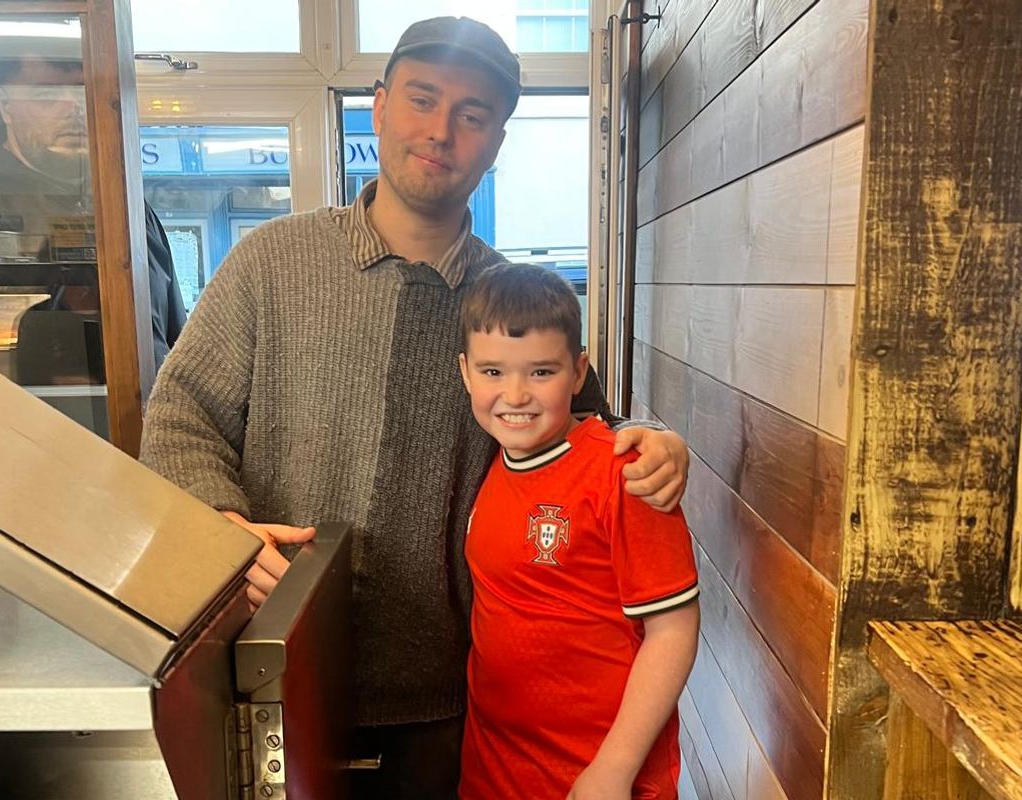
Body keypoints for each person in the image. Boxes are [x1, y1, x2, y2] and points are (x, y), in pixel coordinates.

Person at [139, 17, 689, 798]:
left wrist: (656, 436)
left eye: (473, 114)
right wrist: (219, 525)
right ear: (379, 105)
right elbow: (180, 415)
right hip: (271, 668)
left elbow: (591, 426)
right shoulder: (272, 261)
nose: (441, 131)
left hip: (450, 696)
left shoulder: (511, 297)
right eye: (422, 100)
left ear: (497, 140)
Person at [457, 263, 699, 800]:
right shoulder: (492, 462)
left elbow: (674, 631)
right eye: (494, 372)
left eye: (541, 372)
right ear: (466, 372)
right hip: (496, 771)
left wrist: (613, 770)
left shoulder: (626, 473)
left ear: (578, 371)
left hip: (600, 776)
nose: (515, 395)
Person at [0, 36, 185, 366]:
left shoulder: (127, 208)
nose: (75, 109)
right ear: (5, 105)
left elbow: (169, 334)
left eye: (84, 92)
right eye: (46, 95)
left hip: (129, 407)